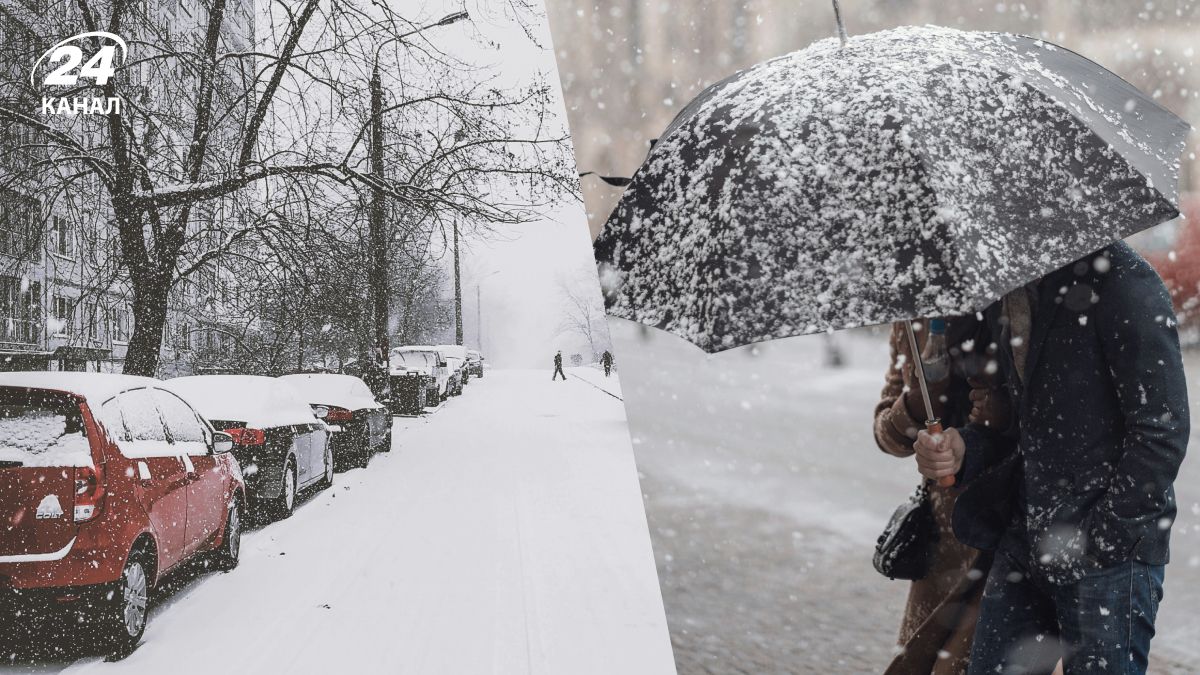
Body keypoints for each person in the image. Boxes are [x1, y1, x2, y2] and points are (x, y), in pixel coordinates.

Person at [913, 242, 1189, 675]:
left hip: (1107, 553)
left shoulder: (1122, 280)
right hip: (1026, 541)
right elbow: (1023, 429)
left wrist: (1105, 537)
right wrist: (965, 449)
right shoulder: (1013, 287)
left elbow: (1162, 429)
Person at [874, 316, 1011, 675]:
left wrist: (979, 427)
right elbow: (887, 434)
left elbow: (1010, 420)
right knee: (921, 658)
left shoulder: (1005, 304)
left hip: (1003, 519)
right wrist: (919, 402)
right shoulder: (908, 319)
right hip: (943, 535)